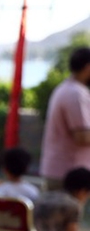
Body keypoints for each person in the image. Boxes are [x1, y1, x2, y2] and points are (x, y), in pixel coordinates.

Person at [38, 47, 90, 192]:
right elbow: (82, 137)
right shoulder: (76, 94)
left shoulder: (64, 89)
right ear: (87, 67)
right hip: (70, 175)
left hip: (61, 171)